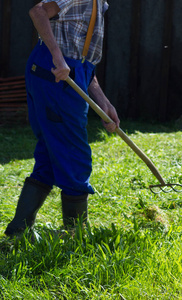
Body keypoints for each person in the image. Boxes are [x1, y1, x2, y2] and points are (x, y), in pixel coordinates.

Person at [5, 0, 120, 236]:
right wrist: (58, 57)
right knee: (73, 151)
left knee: (50, 149)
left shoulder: (100, 4)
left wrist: (103, 102)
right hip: (54, 76)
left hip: (66, 75)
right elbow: (37, 12)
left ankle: (19, 232)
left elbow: (84, 65)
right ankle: (75, 236)